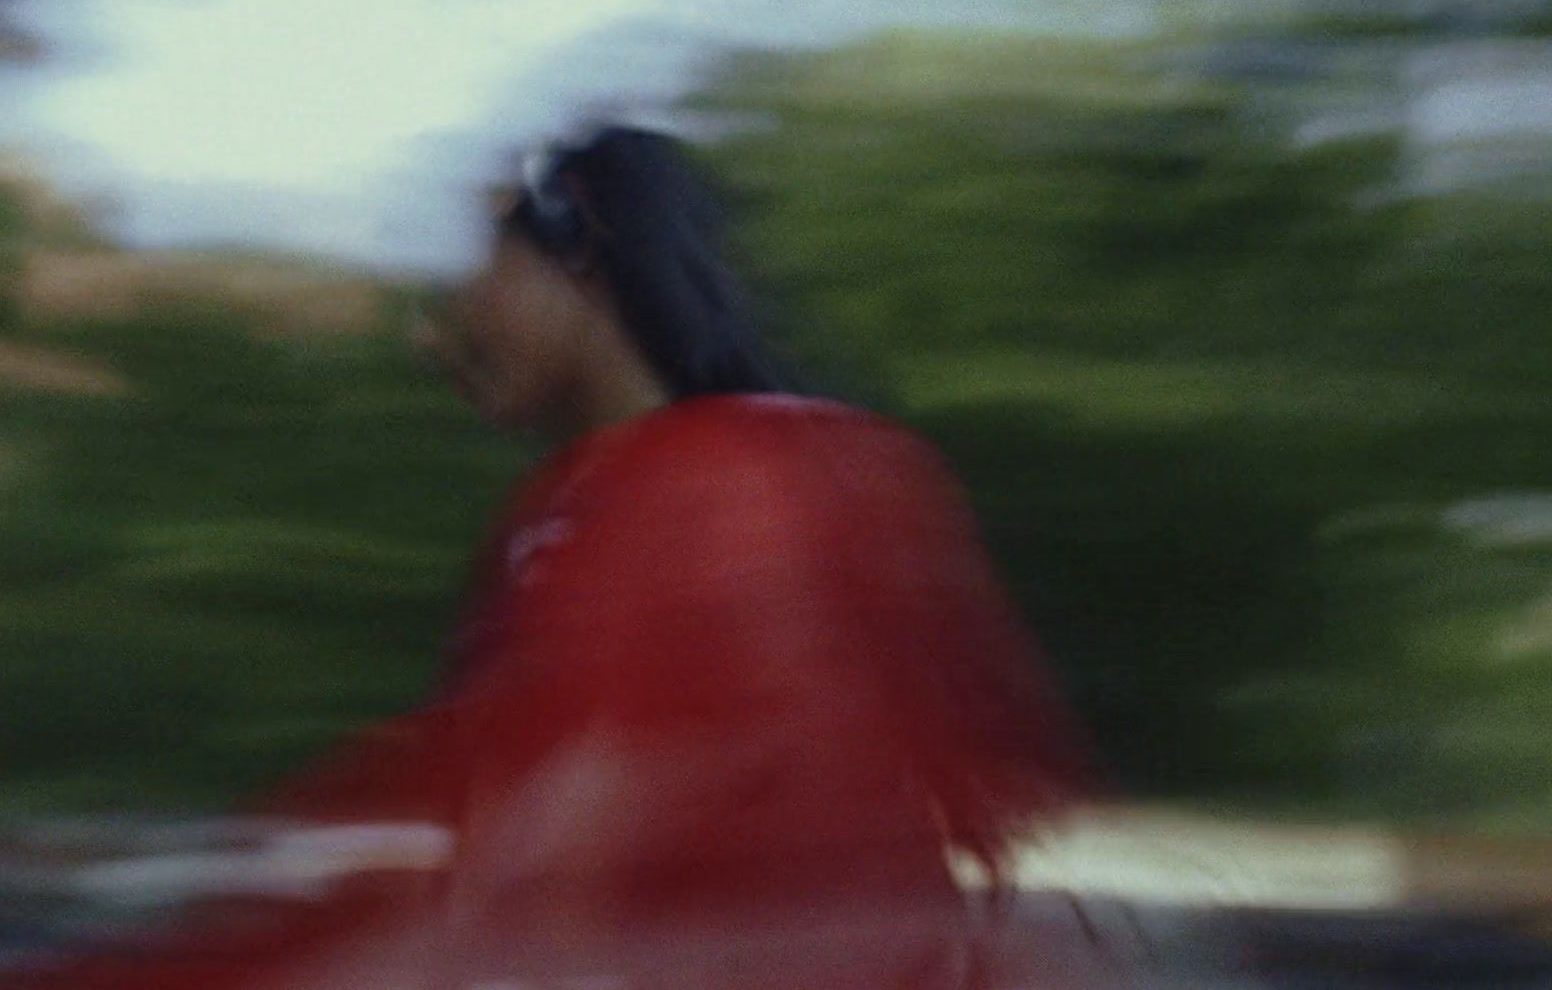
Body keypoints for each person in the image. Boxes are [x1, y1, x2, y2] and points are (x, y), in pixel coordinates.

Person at [8, 125, 1107, 989]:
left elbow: (548, 861)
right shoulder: (806, 467)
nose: (434, 331)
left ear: (575, 251)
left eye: (476, 272)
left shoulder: (680, 490)